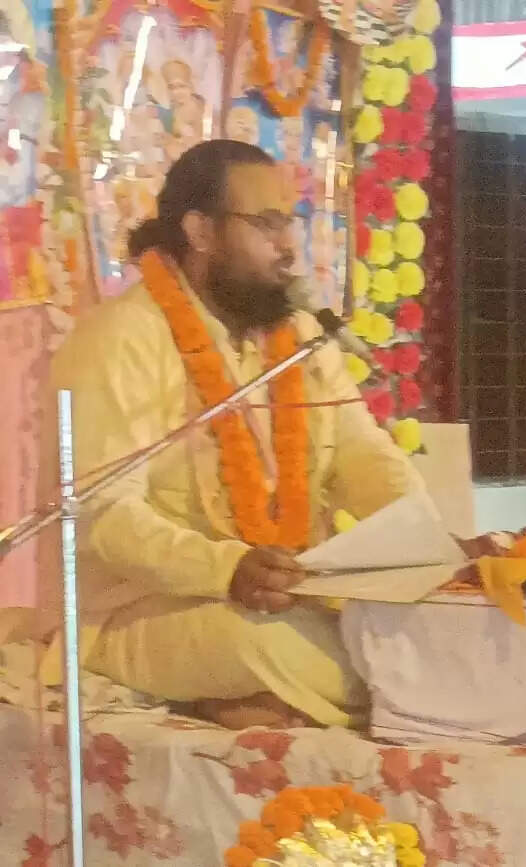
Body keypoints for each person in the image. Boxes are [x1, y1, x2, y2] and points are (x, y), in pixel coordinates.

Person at [50, 140, 432, 730]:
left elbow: (361, 452)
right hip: (142, 610)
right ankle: (233, 695)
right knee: (297, 652)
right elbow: (103, 515)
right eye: (266, 224)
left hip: (285, 598)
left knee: (415, 634)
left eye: (290, 223)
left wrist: (428, 542)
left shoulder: (298, 335)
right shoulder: (121, 339)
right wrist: (227, 569)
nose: (288, 246)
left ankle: (259, 700)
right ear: (201, 231)